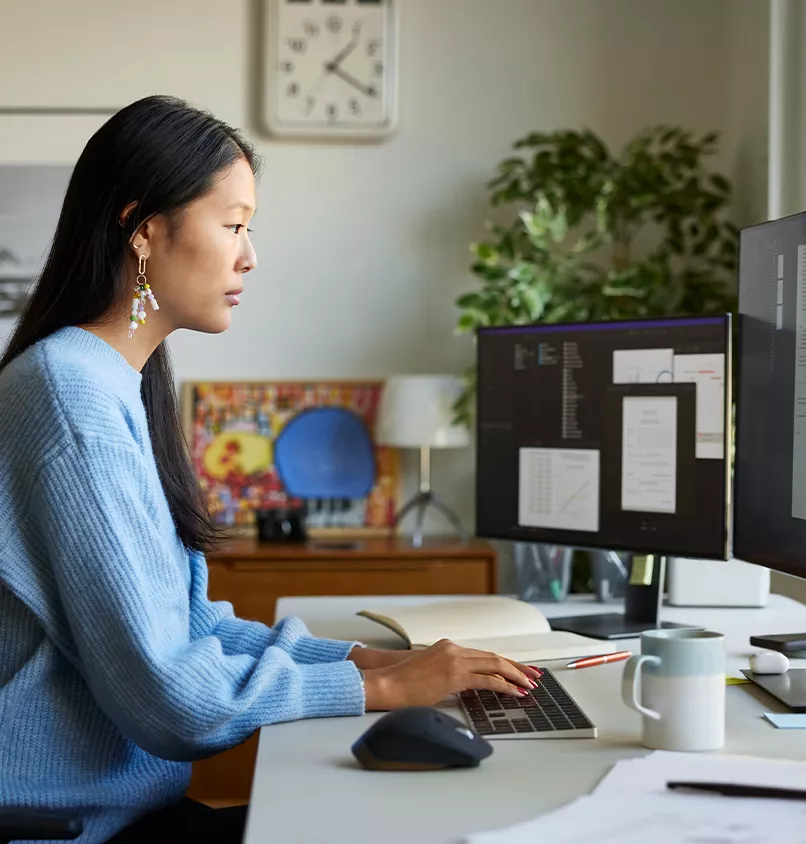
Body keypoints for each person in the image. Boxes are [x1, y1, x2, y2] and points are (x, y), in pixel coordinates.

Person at [0, 95, 541, 844]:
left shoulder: (110, 381)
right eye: (233, 225)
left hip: (115, 811)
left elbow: (188, 628)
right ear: (145, 230)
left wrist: (367, 656)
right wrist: (378, 687)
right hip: (74, 828)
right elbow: (170, 698)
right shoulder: (70, 394)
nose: (249, 255)